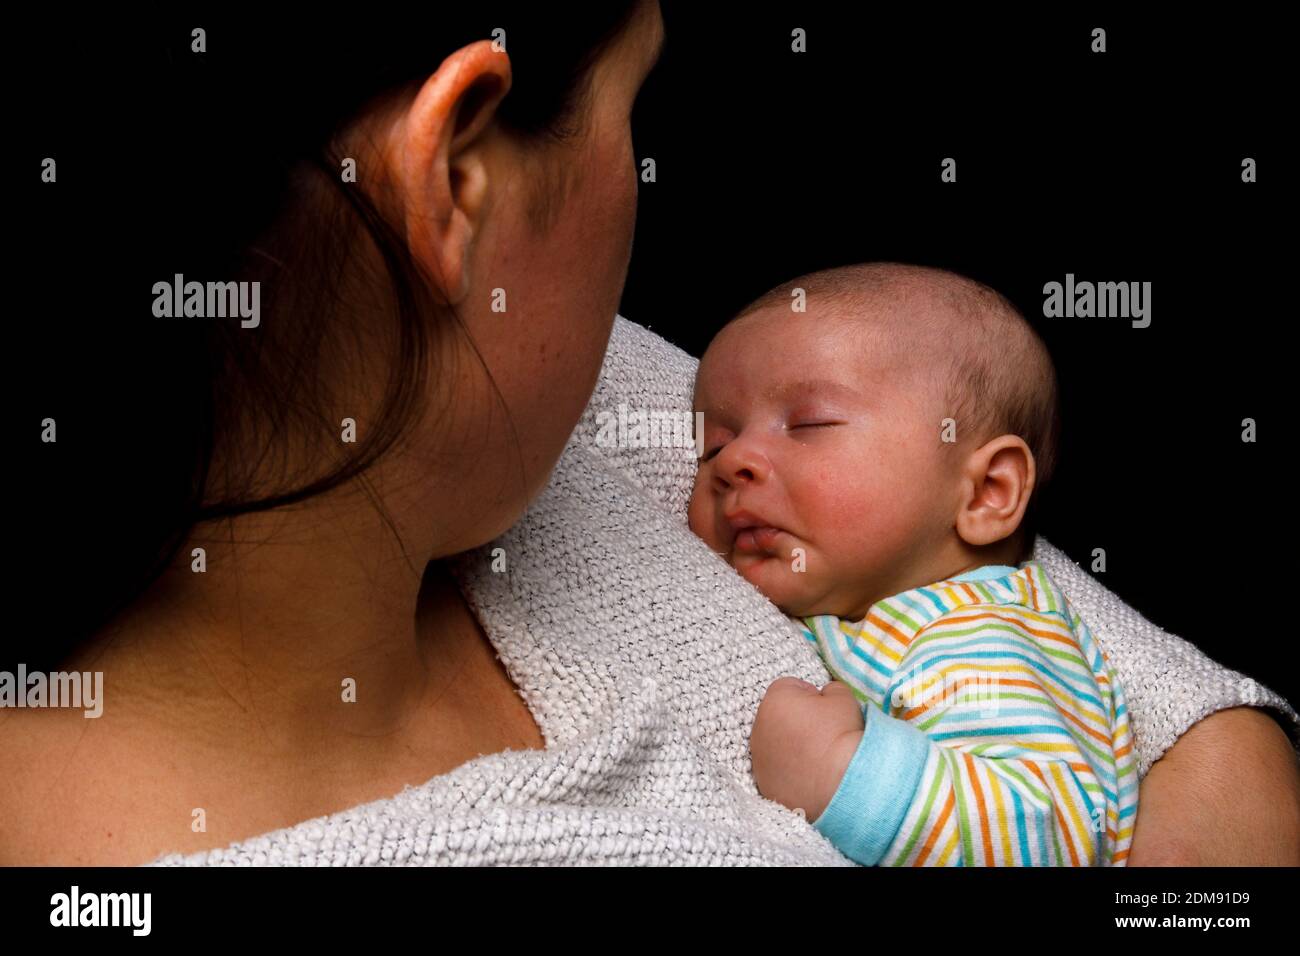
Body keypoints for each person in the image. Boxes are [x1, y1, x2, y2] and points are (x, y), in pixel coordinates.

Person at [6, 0, 1298, 865]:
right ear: (454, 177)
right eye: (634, 109)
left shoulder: (571, 413)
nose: (731, 463)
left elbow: (1161, 717)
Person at [687, 263, 1137, 865]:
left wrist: (840, 776)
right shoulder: (878, 611)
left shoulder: (977, 632)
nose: (732, 459)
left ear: (985, 493)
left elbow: (1054, 835)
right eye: (712, 445)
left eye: (811, 423)